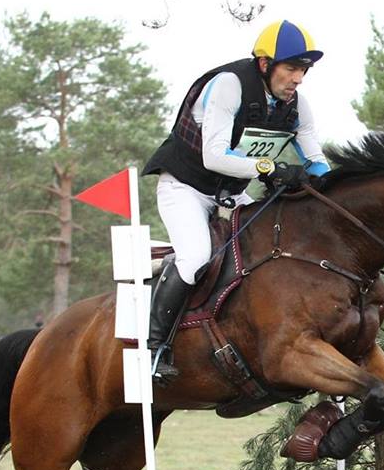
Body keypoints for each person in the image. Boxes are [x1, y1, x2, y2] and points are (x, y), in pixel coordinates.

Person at [142, 19, 332, 384]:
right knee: (197, 257)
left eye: (303, 71)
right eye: (291, 68)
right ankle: (155, 349)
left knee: (272, 251)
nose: (298, 79)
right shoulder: (228, 86)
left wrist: (326, 182)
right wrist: (271, 167)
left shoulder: (296, 106)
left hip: (230, 195)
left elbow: (314, 155)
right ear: (265, 64)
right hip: (185, 188)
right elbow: (214, 156)